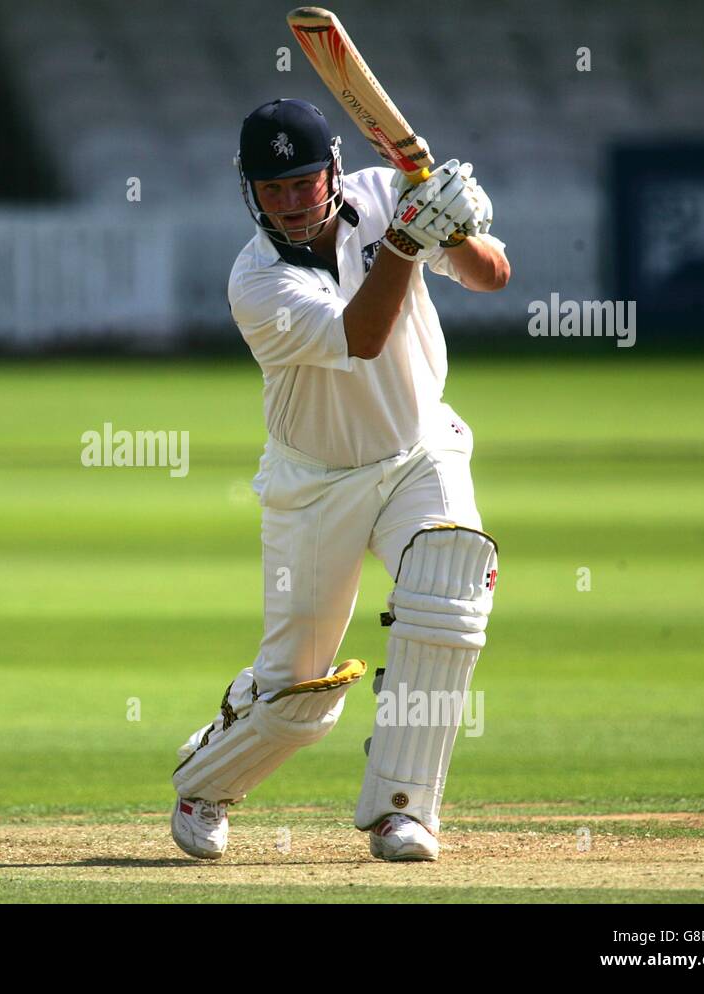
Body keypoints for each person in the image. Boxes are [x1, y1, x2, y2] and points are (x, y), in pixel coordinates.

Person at [170, 98, 508, 862]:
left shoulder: (390, 193)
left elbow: (493, 276)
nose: (289, 202)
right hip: (315, 484)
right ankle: (206, 779)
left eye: (301, 182)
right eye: (271, 188)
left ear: (331, 172)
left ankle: (403, 809)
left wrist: (460, 227)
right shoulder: (254, 283)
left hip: (420, 449)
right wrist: (407, 240)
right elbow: (361, 335)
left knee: (448, 592)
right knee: (298, 696)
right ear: (249, 191)